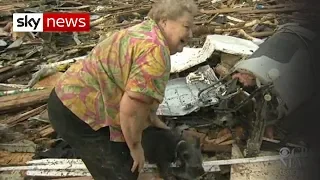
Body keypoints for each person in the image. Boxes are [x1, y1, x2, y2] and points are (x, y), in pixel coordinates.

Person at [47, 0, 198, 179]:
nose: (190, 34)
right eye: (186, 26)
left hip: (73, 96)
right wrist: (135, 148)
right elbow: (132, 110)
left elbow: (139, 100)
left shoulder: (146, 30)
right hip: (76, 112)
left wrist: (151, 119)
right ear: (164, 21)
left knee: (146, 136)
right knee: (124, 172)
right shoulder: (155, 53)